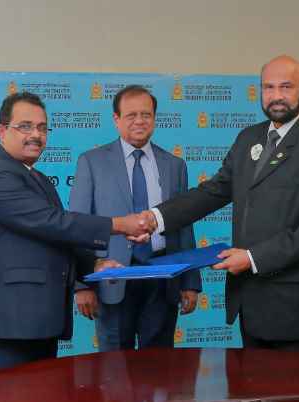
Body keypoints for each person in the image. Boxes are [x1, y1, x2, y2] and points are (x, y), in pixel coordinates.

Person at [141, 55, 299, 351]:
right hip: (247, 301)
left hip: (292, 308)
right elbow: (214, 191)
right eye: (268, 87)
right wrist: (155, 219)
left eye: (286, 87)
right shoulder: (248, 138)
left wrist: (251, 258)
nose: (276, 96)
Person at [0, 91, 151, 376]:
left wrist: (94, 265)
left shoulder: (37, 178)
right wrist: (119, 225)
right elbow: (52, 222)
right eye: (25, 126)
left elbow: (56, 237)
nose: (36, 135)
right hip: (9, 323)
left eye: (42, 127)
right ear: (2, 131)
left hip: (41, 320)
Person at [69, 85, 202, 351]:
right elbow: (78, 226)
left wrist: (190, 283)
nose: (139, 121)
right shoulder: (91, 162)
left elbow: (184, 227)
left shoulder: (175, 166)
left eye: (146, 114)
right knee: (115, 369)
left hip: (163, 280)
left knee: (160, 369)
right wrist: (81, 284)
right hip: (113, 280)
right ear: (116, 119)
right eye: (131, 115)